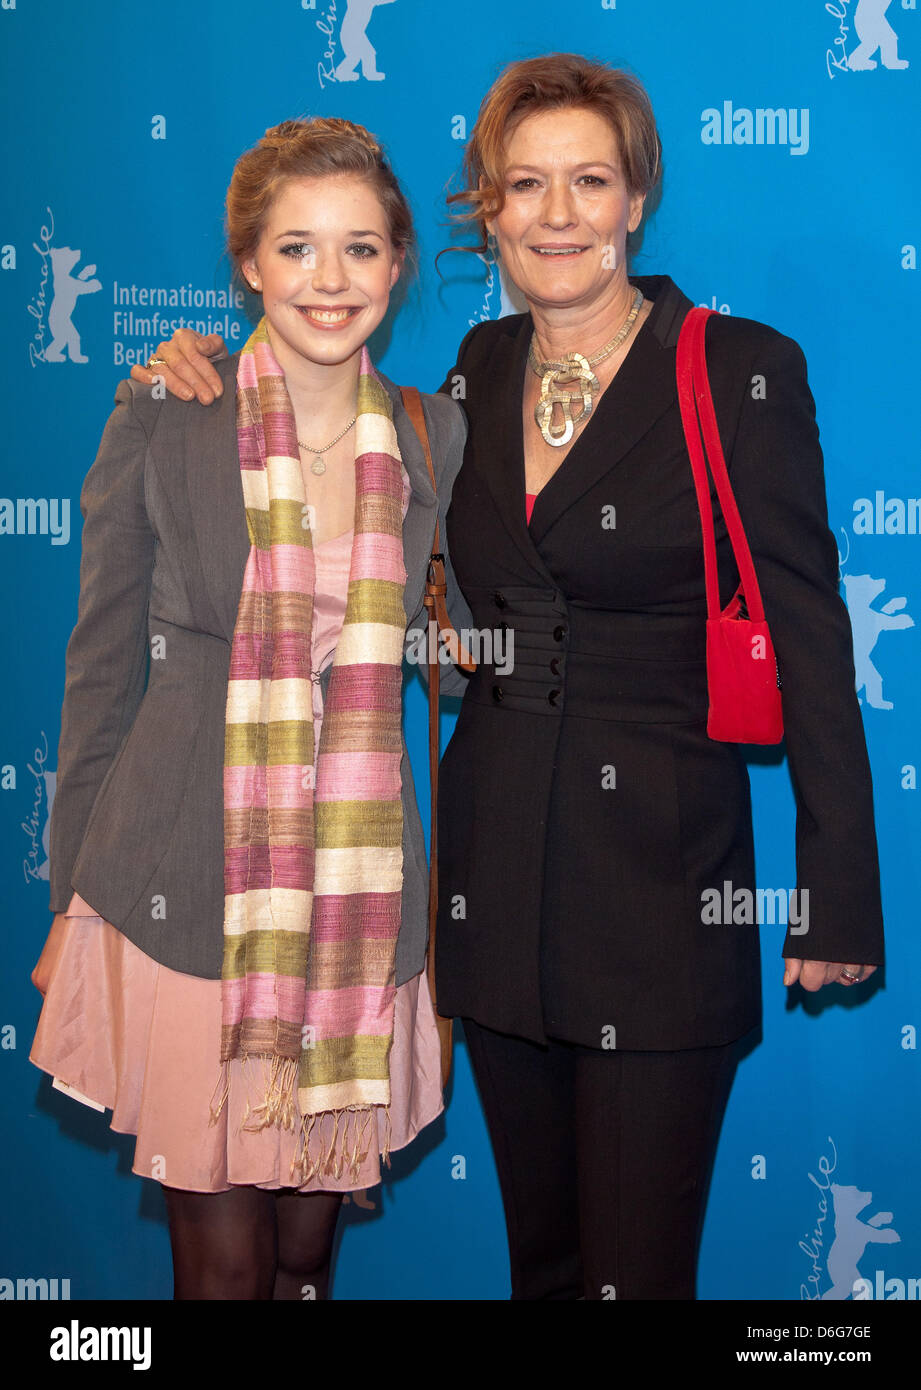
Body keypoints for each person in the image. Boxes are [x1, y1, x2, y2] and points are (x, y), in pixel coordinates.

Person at [129, 56, 885, 1301]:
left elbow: (809, 635)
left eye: (590, 180)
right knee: (542, 1268)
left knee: (634, 1280)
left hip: (662, 890)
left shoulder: (735, 368)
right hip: (495, 889)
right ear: (489, 206)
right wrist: (180, 377)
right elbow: (374, 541)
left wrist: (838, 893)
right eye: (525, 185)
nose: (558, 214)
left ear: (636, 196)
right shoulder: (469, 378)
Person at [30, 116, 471, 1301]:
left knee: (305, 1253)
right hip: (180, 888)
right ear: (249, 266)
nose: (331, 282)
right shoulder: (167, 412)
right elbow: (97, 660)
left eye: (362, 249)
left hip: (358, 900)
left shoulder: (435, 432)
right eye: (298, 249)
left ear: (398, 262)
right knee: (219, 1268)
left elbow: (458, 641)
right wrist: (72, 887)